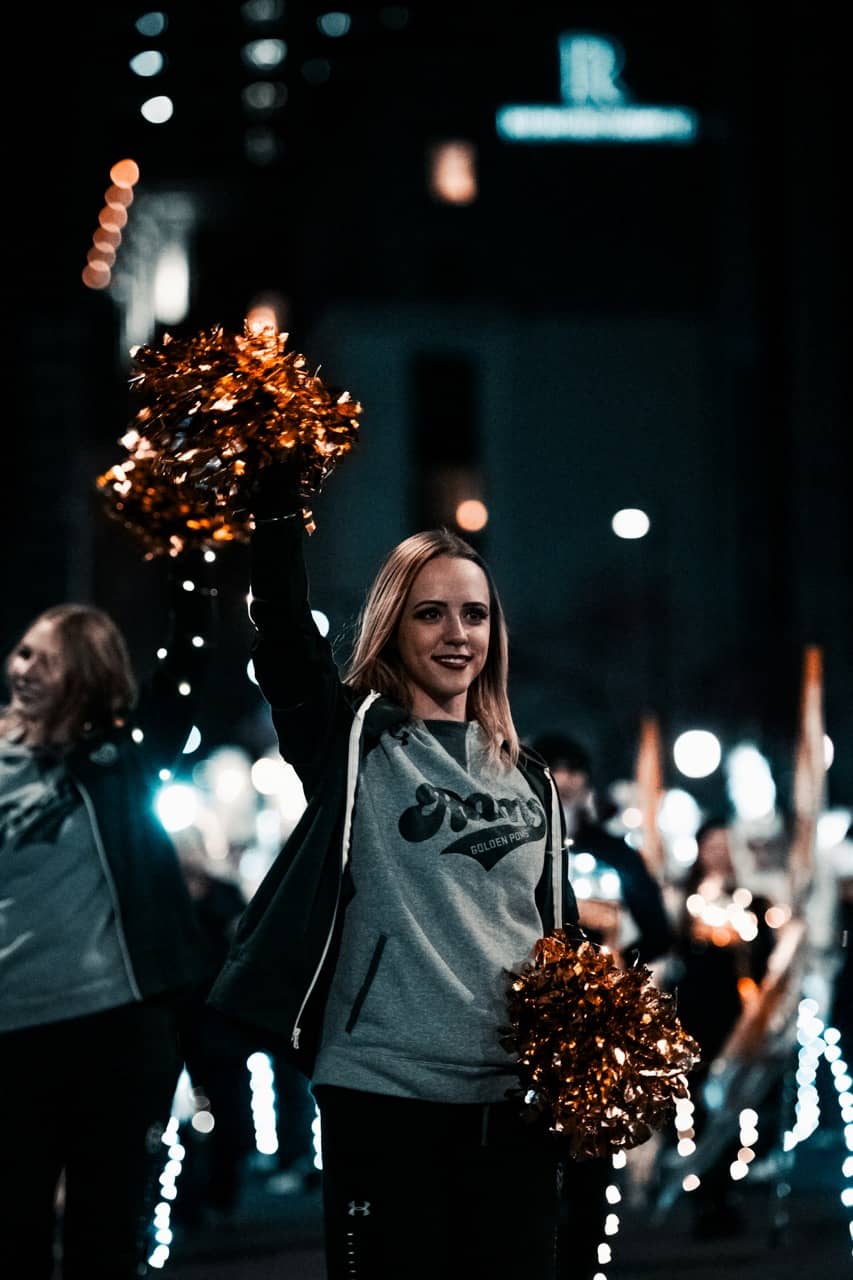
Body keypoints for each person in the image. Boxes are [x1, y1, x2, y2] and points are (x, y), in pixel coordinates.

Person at [208, 473, 579, 1280]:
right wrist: (275, 509)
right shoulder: (351, 739)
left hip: (509, 1100)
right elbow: (281, 639)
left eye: (474, 615)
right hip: (383, 1092)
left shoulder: (533, 778)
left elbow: (559, 939)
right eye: (431, 612)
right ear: (393, 624)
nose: (456, 634)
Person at [0, 561, 214, 1278]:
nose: (23, 668)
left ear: (86, 678)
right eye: (23, 651)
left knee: (104, 1234)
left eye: (46, 660)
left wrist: (194, 564)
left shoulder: (120, 759)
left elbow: (186, 667)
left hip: (112, 1031)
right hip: (11, 1031)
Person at [531, 730, 673, 1279]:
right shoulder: (515, 845)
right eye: (554, 768)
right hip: (529, 1018)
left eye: (575, 770)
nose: (565, 781)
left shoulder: (616, 854)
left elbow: (659, 931)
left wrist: (617, 957)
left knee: (589, 1153)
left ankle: (582, 1259)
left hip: (599, 1023)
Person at [666, 817, 774, 1238]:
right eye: (713, 844)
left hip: (739, 1020)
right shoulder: (684, 899)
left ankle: (727, 1191)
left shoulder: (752, 902)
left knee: (735, 1107)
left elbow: (765, 962)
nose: (721, 852)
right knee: (696, 1110)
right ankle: (703, 1195)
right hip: (694, 1017)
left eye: (728, 845)